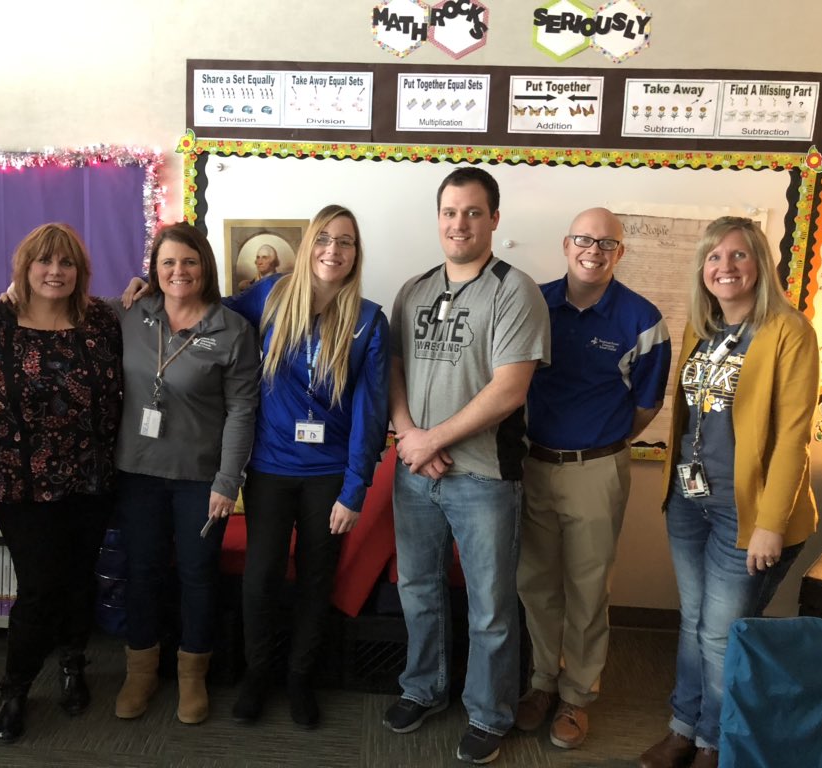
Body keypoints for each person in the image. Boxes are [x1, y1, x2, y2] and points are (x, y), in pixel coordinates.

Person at [384, 167, 550, 765]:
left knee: (491, 605)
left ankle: (487, 712)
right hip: (415, 473)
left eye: (474, 212)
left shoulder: (514, 289)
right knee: (418, 589)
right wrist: (409, 437)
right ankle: (423, 688)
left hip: (484, 478)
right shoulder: (414, 288)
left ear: (494, 219)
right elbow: (394, 369)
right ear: (437, 218)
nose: (460, 223)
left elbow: (509, 389)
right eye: (450, 212)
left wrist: (431, 441)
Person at [639, 217, 818, 768]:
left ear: (760, 264)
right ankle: (682, 727)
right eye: (714, 257)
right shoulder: (703, 329)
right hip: (691, 505)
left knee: (719, 636)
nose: (726, 267)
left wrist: (769, 522)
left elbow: (793, 437)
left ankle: (714, 744)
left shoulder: (788, 332)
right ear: (703, 270)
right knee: (693, 622)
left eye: (739, 256)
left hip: (749, 515)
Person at [226, 204, 389, 729]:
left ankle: (299, 677)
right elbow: (209, 308)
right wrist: (147, 286)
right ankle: (258, 673)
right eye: (324, 239)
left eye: (345, 242)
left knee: (318, 579)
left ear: (355, 254)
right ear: (310, 245)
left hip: (330, 474)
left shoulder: (368, 321)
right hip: (271, 467)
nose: (332, 251)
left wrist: (354, 489)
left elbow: (372, 411)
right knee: (261, 576)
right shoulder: (270, 296)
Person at [516, 208, 671, 749]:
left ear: (620, 252)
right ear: (566, 244)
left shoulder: (643, 320)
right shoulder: (531, 301)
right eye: (584, 239)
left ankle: (577, 697)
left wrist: (598, 441)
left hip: (597, 468)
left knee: (587, 589)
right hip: (532, 463)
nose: (594, 250)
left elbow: (646, 408)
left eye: (607, 243)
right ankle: (541, 682)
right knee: (535, 583)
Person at [0, 223, 123, 743]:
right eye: (44, 262)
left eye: (66, 264)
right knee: (38, 587)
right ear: (25, 267)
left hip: (90, 475)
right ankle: (14, 689)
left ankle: (73, 663)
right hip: (21, 482)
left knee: (80, 576)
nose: (55, 272)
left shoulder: (102, 321)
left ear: (80, 271)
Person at [113, 223, 260, 725]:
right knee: (142, 572)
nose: (179, 271)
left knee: (198, 577)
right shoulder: (131, 313)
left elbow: (243, 411)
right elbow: (59, 311)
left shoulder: (232, 331)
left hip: (200, 480)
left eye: (190, 262)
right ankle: (141, 671)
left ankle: (193, 676)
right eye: (168, 262)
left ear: (206, 267)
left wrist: (228, 481)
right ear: (153, 270)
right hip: (136, 473)